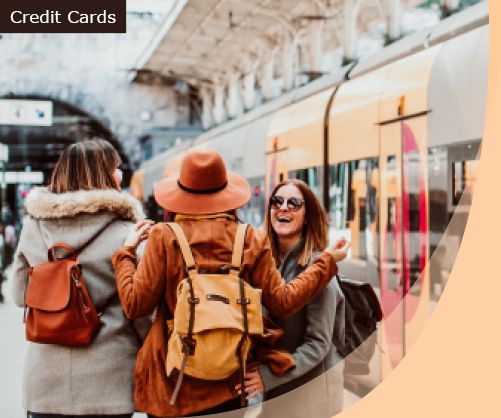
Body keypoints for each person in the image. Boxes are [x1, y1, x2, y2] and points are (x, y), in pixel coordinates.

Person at [112, 148, 350, 418]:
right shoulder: (250, 239)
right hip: (229, 385)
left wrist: (125, 254)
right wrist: (326, 261)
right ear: (226, 194)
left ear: (181, 194)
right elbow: (284, 302)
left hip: (172, 388)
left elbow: (135, 305)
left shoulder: (164, 237)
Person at [10, 139, 151, 418]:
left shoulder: (33, 227)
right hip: (109, 382)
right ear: (103, 174)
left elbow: (18, 294)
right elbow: (142, 311)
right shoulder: (128, 234)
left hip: (45, 383)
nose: (121, 174)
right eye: (116, 168)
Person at [249, 180, 346, 417]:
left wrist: (268, 376)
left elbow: (318, 344)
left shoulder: (318, 270)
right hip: (277, 398)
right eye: (277, 201)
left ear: (307, 217)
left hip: (310, 401)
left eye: (294, 203)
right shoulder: (266, 266)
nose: (283, 208)